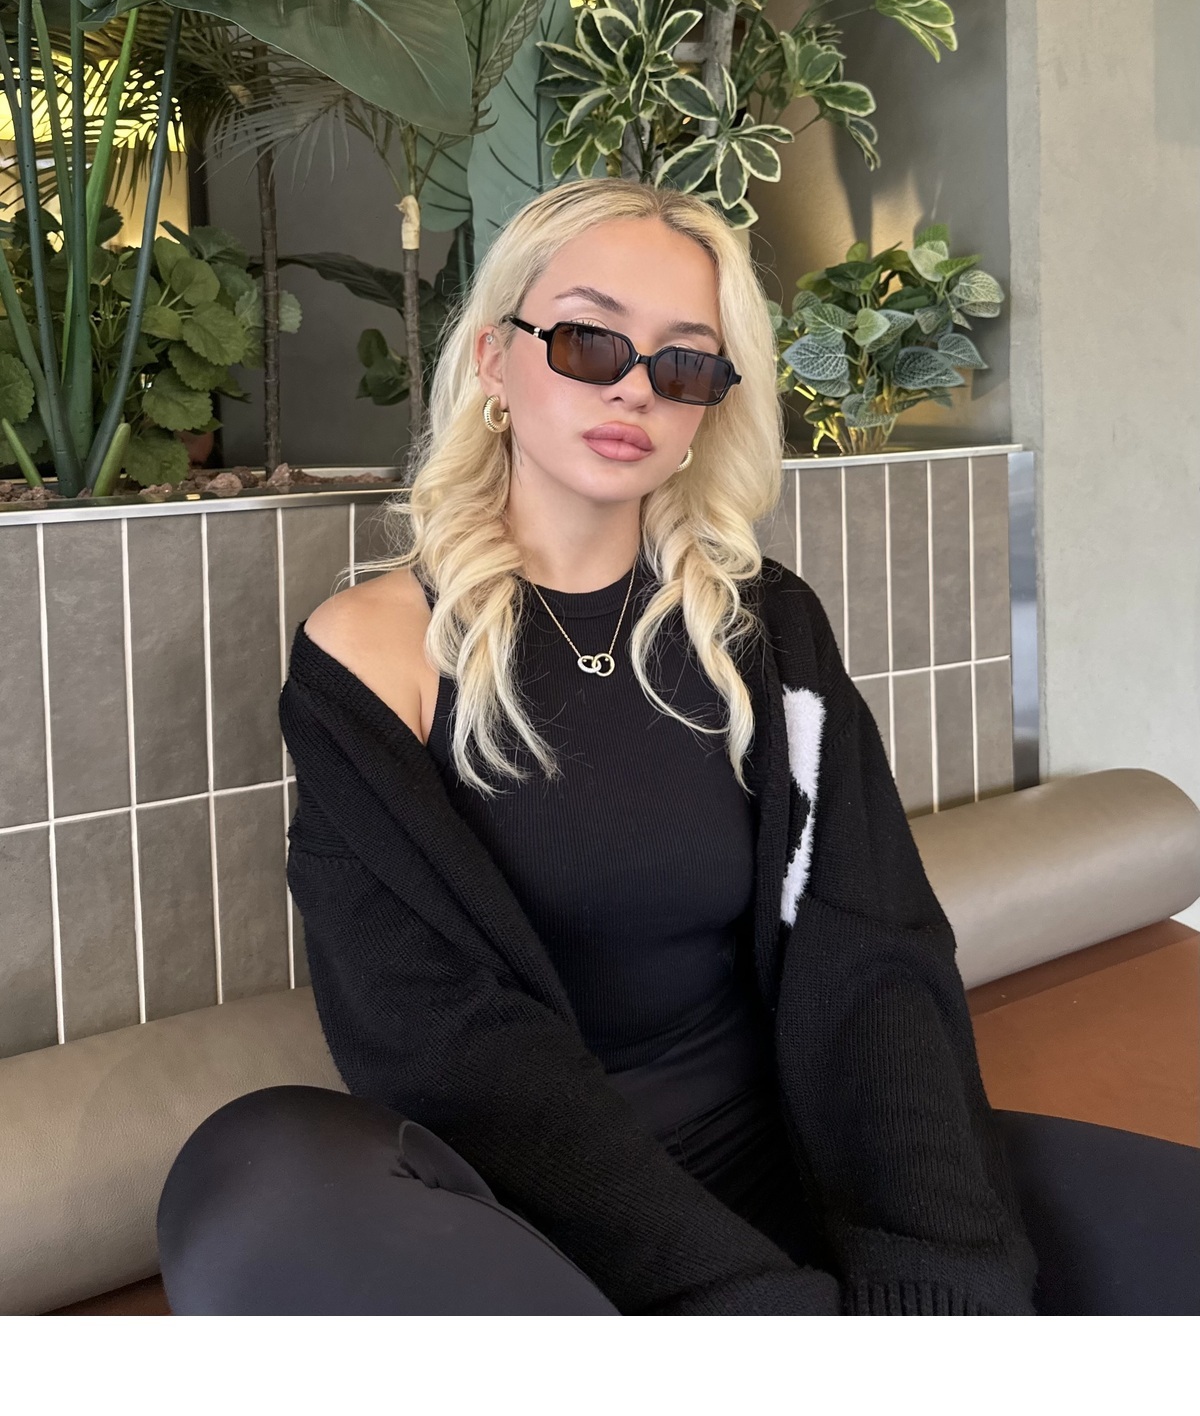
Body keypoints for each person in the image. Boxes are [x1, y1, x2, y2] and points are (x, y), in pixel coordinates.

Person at [157, 182, 1199, 1316]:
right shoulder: (375, 654)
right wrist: (755, 1311)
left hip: (796, 1152)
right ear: (496, 359)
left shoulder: (763, 627)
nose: (635, 388)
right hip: (550, 1222)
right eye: (589, 340)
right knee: (250, 1175)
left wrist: (936, 1276)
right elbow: (446, 1044)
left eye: (685, 362)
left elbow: (875, 952)